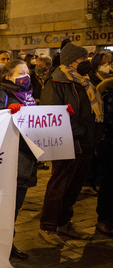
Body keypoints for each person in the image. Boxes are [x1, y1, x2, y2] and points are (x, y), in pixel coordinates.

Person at [39, 43, 103, 242]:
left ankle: (65, 223)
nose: (86, 62)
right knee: (60, 186)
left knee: (74, 186)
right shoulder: (56, 83)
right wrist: (79, 130)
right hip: (67, 142)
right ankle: (47, 227)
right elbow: (52, 114)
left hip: (86, 142)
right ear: (71, 61)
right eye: (82, 59)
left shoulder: (84, 81)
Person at [0, 59, 37, 260]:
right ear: (8, 76)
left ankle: (7, 241)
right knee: (6, 203)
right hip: (10, 155)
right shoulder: (0, 93)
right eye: (20, 72)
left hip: (26, 154)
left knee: (17, 203)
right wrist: (7, 112)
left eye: (27, 71)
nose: (25, 75)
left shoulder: (29, 96)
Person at [96, 76, 113, 237]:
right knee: (109, 183)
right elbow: (108, 121)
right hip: (110, 145)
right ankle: (104, 219)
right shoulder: (109, 95)